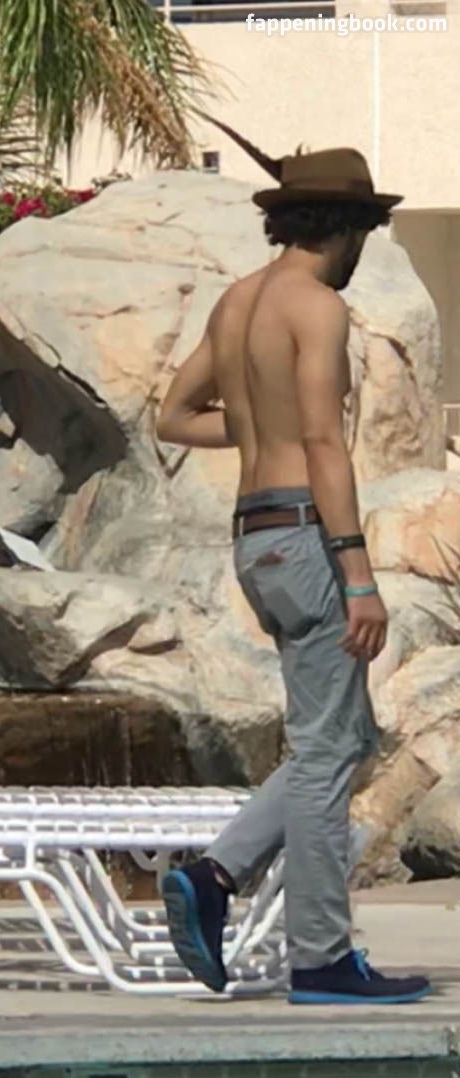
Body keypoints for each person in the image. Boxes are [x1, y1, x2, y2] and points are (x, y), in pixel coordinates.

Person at [156, 123, 431, 1005]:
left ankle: (213, 876)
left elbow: (173, 414)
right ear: (343, 228)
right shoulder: (315, 307)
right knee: (324, 755)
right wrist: (357, 572)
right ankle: (319, 955)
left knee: (341, 737)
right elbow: (320, 441)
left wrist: (253, 427)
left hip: (254, 536)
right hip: (307, 536)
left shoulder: (237, 302)